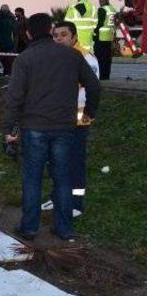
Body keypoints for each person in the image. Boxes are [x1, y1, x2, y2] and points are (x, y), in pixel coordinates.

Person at [3, 13, 100, 241]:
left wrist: (9, 128)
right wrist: (89, 113)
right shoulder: (72, 56)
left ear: (27, 33)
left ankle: (29, 228)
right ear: (50, 30)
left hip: (33, 127)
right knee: (63, 178)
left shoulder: (24, 59)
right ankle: (64, 229)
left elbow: (14, 97)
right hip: (65, 128)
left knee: (32, 178)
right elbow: (94, 87)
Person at [52, 21, 100, 215]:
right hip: (59, 118)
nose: (59, 39)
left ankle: (76, 204)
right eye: (56, 35)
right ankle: (58, 198)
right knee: (56, 161)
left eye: (63, 35)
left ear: (74, 36)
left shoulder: (86, 58)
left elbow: (91, 87)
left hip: (80, 119)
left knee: (75, 162)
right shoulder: (58, 56)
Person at [94, 0, 117, 80]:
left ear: (103, 0)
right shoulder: (113, 9)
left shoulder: (102, 10)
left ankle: (101, 77)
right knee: (107, 59)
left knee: (100, 59)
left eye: (100, 1)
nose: (99, 3)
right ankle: (106, 77)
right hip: (109, 37)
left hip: (101, 37)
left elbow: (99, 23)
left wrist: (94, 32)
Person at [0, 5, 16, 75]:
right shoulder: (11, 20)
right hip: (8, 43)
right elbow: (14, 32)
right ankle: (7, 72)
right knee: (8, 60)